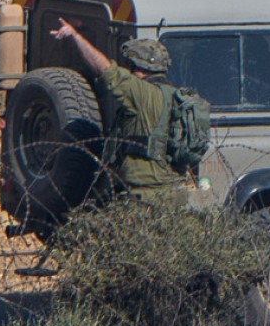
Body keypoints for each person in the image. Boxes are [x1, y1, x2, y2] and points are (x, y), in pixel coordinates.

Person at [49, 19, 186, 202]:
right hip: (170, 192)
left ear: (140, 68)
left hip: (144, 196)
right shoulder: (174, 95)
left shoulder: (141, 92)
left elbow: (105, 69)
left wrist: (76, 36)